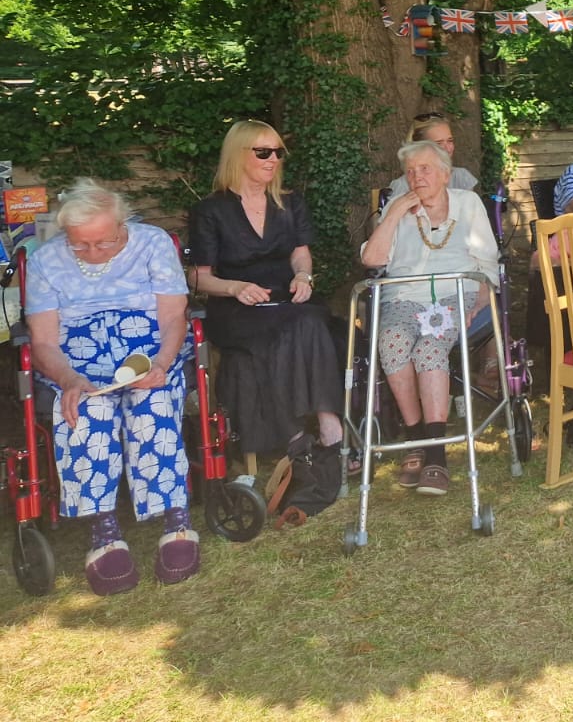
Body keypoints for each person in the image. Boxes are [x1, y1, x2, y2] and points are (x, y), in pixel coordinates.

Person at [26, 179, 199, 595]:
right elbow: (44, 342)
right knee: (84, 409)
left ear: (123, 225)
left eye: (103, 242)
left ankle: (176, 521)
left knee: (153, 402)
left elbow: (173, 317)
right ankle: (104, 532)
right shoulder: (46, 260)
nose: (92, 252)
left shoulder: (153, 243)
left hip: (148, 350)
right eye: (79, 244)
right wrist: (69, 378)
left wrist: (162, 363)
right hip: (77, 359)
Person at [189, 120, 344, 454]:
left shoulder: (290, 203)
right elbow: (199, 277)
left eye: (278, 152)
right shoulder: (211, 210)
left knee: (313, 321)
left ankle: (319, 428)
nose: (273, 159)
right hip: (236, 307)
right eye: (263, 152)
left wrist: (303, 277)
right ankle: (325, 430)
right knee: (305, 324)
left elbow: (301, 254)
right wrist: (234, 288)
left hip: (286, 297)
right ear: (238, 154)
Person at [362, 140, 502, 494]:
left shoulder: (467, 203)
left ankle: (437, 454)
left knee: (430, 348)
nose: (416, 177)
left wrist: (478, 304)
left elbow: (488, 264)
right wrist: (394, 213)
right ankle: (415, 439)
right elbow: (372, 260)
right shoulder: (397, 206)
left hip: (456, 295)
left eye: (424, 169)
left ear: (445, 173)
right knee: (391, 342)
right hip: (404, 297)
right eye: (410, 172)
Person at [388, 113, 478, 199]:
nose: (448, 148)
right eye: (439, 143)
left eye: (450, 141)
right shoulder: (403, 185)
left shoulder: (461, 176)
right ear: (420, 147)